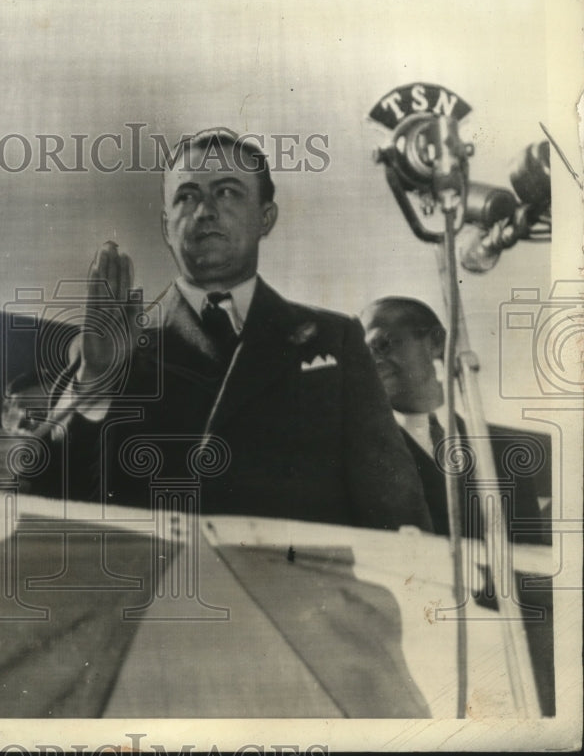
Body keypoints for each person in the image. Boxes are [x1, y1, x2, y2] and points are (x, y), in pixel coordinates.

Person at [48, 128, 432, 531]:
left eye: (227, 192)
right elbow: (39, 492)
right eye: (186, 196)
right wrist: (95, 381)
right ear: (166, 227)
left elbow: (398, 511)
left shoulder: (335, 340)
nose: (204, 211)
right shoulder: (106, 349)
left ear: (266, 217)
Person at [360, 296, 551, 541]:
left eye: (383, 344)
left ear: (437, 342)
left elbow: (530, 558)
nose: (373, 361)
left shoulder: (505, 451)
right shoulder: (361, 455)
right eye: (366, 353)